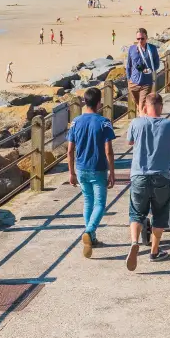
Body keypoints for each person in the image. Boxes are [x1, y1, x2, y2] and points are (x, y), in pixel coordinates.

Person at [125, 92, 170, 269]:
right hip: (161, 177)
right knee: (160, 214)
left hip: (139, 176)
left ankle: (135, 242)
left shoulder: (136, 122)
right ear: (161, 107)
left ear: (145, 107)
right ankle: (154, 252)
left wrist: (142, 116)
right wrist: (169, 152)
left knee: (136, 213)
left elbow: (129, 142)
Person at [67, 86, 116, 257]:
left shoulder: (75, 122)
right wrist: (112, 172)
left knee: (88, 201)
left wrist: (71, 172)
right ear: (99, 103)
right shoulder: (104, 122)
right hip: (98, 168)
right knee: (100, 204)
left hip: (81, 168)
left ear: (84, 102)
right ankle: (89, 231)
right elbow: (108, 150)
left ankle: (92, 238)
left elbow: (70, 150)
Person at [125, 27, 160, 114]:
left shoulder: (152, 49)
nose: (140, 41)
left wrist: (150, 70)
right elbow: (128, 65)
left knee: (142, 106)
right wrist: (129, 79)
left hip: (146, 82)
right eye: (138, 39)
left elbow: (157, 64)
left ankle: (141, 123)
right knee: (138, 105)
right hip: (133, 83)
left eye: (142, 38)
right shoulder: (132, 49)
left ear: (146, 37)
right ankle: (142, 117)